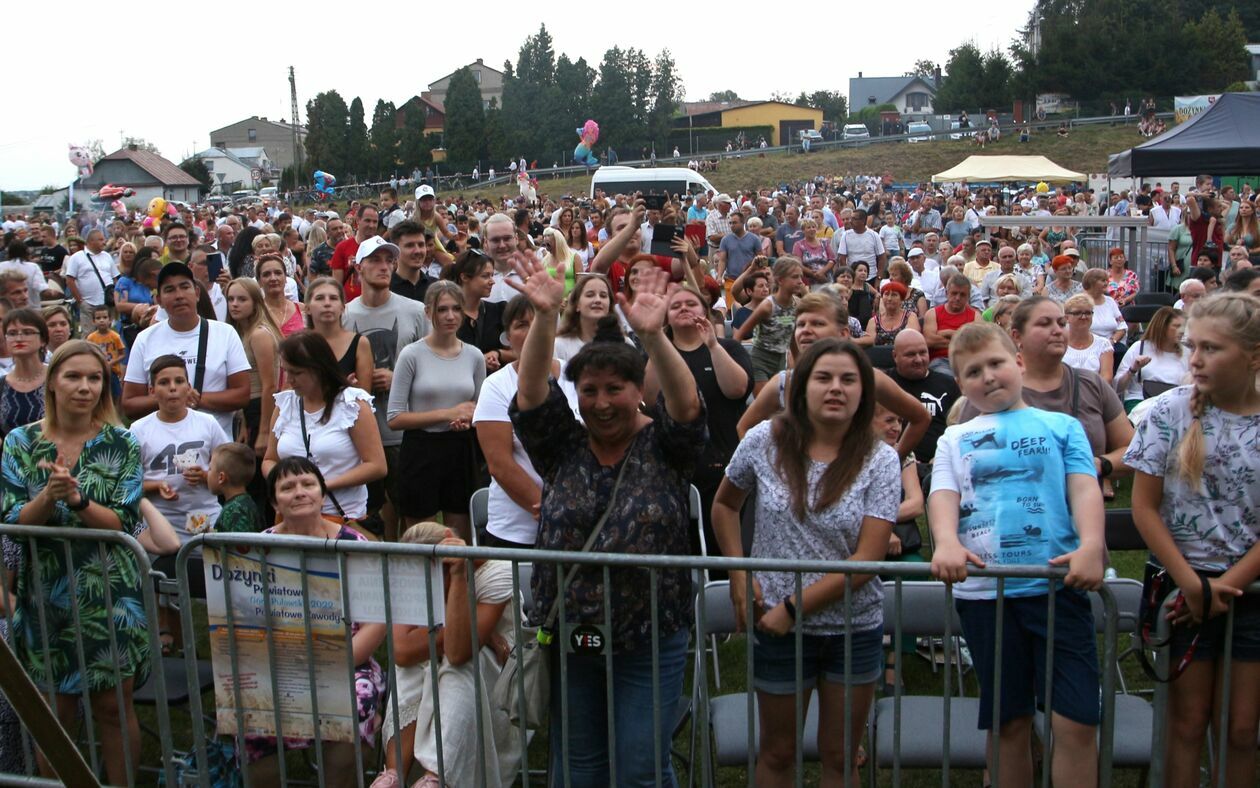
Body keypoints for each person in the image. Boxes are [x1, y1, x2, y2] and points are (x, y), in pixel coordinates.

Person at [507, 255, 705, 786]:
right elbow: (529, 397)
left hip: (650, 634)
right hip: (573, 636)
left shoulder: (665, 446)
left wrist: (655, 336)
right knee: (579, 767)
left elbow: (687, 408)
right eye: (589, 390)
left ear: (638, 390)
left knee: (641, 766)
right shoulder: (563, 447)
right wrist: (545, 318)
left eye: (614, 389)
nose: (600, 402)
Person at [712, 337, 899, 787]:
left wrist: (793, 608)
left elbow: (868, 558)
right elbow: (724, 506)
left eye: (848, 380)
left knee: (839, 757)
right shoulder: (764, 440)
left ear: (863, 392)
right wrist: (739, 574)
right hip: (775, 628)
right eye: (824, 377)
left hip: (850, 628)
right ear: (801, 387)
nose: (836, 388)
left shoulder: (881, 460)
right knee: (777, 752)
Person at [930, 322, 1105, 788]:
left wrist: (1091, 545)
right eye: (972, 372)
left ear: (1019, 363)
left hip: (1056, 588)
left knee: (1077, 719)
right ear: (960, 385)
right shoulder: (953, 440)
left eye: (996, 363)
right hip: (987, 595)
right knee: (1009, 723)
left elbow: (1084, 489)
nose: (987, 376)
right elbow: (943, 495)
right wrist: (946, 541)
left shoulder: (1062, 426)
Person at [1125, 293, 1260, 788]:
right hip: (1181, 590)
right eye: (1192, 346)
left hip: (1247, 593)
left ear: (1254, 355)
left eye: (1212, 349)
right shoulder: (1168, 411)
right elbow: (1144, 507)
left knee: (1242, 729)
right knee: (1185, 724)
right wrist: (1194, 586)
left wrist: (1226, 587)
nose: (1196, 359)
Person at [0, 341, 147, 785]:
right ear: (52, 383)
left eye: (94, 378)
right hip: (47, 594)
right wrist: (48, 495)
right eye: (73, 377)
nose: (84, 387)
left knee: (112, 707)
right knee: (55, 710)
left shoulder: (121, 442)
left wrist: (78, 499)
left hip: (109, 592)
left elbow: (123, 520)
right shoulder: (19, 442)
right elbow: (11, 521)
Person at [245, 458, 387, 787]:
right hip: (277, 663)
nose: (299, 493)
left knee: (353, 706)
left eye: (308, 484)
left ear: (322, 494)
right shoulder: (257, 549)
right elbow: (246, 622)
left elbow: (376, 621)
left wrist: (333, 663)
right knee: (249, 709)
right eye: (287, 487)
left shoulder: (353, 546)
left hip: (347, 662)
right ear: (273, 502)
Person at [373, 521, 521, 788]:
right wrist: (481, 633)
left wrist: (457, 576)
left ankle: (437, 775)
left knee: (457, 670)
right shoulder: (411, 570)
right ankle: (394, 775)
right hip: (445, 655)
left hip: (493, 675)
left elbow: (457, 651)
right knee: (412, 668)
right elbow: (402, 651)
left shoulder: (498, 573)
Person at [964, 297, 1133, 501]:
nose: (1057, 330)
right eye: (1044, 324)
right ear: (1017, 336)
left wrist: (1098, 464)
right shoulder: (990, 389)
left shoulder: (1092, 384)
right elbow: (962, 460)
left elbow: (1132, 451)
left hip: (1081, 517)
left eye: (1062, 323)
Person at [737, 292, 930, 461]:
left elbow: (920, 417)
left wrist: (891, 463)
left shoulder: (867, 377)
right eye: (801, 324)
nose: (806, 330)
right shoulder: (784, 383)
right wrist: (771, 472)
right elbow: (744, 428)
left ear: (843, 333)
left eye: (817, 323)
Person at [645, 285, 753, 559]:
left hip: (721, 465)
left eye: (690, 304)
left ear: (705, 312)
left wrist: (713, 345)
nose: (682, 308)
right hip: (672, 469)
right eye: (675, 305)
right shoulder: (658, 351)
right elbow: (648, 398)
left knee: (722, 553)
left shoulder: (729, 347)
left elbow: (737, 389)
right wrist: (657, 339)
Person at [343, 237, 430, 541]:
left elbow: (437, 364)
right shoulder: (345, 315)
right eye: (375, 260)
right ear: (359, 267)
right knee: (372, 517)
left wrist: (400, 379)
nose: (384, 266)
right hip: (359, 433)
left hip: (404, 430)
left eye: (388, 261)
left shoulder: (416, 311)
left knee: (413, 512)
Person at [473, 295, 576, 548]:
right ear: (508, 336)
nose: (532, 331)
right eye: (521, 324)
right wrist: (552, 509)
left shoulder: (577, 376)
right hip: (517, 530)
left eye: (541, 321)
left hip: (578, 524)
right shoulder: (496, 385)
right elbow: (500, 464)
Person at [386, 281, 486, 542]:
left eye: (456, 309)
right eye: (442, 310)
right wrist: (447, 414)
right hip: (421, 450)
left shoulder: (474, 356)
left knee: (459, 538)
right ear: (428, 312)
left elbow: (479, 410)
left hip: (460, 448)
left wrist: (466, 421)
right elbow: (394, 418)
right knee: (421, 539)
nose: (450, 316)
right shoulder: (411, 354)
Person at [262, 332, 387, 529]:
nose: (290, 380)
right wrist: (285, 483)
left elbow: (377, 465)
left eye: (297, 372)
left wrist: (321, 486)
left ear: (318, 369)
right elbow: (269, 459)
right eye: (287, 372)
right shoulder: (284, 405)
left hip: (341, 517)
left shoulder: (352, 404)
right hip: (293, 519)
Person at [122, 263, 251, 437]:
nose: (179, 296)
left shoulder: (225, 333)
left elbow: (242, 394)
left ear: (197, 293)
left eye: (185, 287)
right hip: (160, 446)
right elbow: (129, 404)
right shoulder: (145, 339)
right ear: (159, 300)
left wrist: (197, 399)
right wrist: (169, 398)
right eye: (170, 290)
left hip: (214, 448)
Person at [224, 277, 281, 459]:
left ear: (255, 302)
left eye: (242, 299)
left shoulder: (259, 334)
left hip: (259, 408)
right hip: (246, 409)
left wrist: (264, 432)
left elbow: (269, 385)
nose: (234, 304)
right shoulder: (241, 333)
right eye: (231, 299)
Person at [885, 329, 960, 463]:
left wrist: (943, 458)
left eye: (923, 353)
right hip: (894, 463)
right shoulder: (884, 385)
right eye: (911, 355)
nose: (918, 360)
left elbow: (959, 429)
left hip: (938, 464)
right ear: (895, 356)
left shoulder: (948, 384)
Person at [735, 257, 803, 393]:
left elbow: (792, 340)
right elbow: (739, 335)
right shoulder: (767, 306)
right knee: (766, 406)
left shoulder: (796, 306)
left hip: (780, 362)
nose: (800, 282)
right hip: (760, 362)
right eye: (795, 277)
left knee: (780, 407)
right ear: (780, 280)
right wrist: (736, 364)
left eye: (801, 277)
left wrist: (800, 366)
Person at [1113, 307, 1188, 411]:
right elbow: (1117, 387)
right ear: (1162, 327)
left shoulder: (1187, 353)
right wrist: (1132, 370)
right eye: (1176, 326)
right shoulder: (1139, 347)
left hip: (1175, 403)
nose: (1182, 331)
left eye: (1183, 326)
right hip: (1141, 400)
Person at [446, 250, 508, 371]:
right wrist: (478, 361)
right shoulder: (448, 316)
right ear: (464, 277)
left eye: (492, 275)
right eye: (485, 276)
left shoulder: (499, 310)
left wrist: (497, 353)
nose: (492, 281)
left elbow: (519, 352)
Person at [0, 309, 47, 437]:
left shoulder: (58, 377)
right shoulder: (2, 384)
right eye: (12, 333)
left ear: (42, 339)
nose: (19, 338)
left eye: (27, 332)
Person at [62, 229, 118, 335]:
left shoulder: (107, 256)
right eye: (101, 239)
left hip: (107, 303)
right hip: (89, 304)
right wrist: (80, 301)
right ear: (91, 241)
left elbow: (115, 277)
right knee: (89, 334)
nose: (104, 242)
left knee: (108, 334)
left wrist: (116, 297)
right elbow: (70, 280)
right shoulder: (77, 257)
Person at [923, 274, 980, 375]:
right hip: (940, 361)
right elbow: (929, 341)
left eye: (962, 295)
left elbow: (976, 345)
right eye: (954, 293)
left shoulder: (976, 316)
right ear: (946, 293)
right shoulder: (933, 313)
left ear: (968, 296)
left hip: (967, 362)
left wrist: (945, 333)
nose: (957, 298)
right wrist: (963, 338)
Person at [206, 442, 264, 534]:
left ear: (221, 477)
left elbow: (238, 545)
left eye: (209, 469)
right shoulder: (245, 503)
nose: (207, 472)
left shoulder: (235, 511)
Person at [1062, 293, 1115, 384]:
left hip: (1095, 394)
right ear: (1066, 318)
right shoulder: (1058, 343)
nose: (1084, 317)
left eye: (1088, 313)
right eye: (1077, 313)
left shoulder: (1103, 344)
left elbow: (1106, 378)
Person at [1082, 268, 1128, 361]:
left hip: (1111, 344)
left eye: (1107, 280)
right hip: (1088, 345)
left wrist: (1112, 341)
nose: (1106, 283)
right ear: (1092, 282)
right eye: (1103, 280)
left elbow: (1122, 326)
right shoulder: (1081, 302)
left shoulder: (1110, 301)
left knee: (1121, 351)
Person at [256, 254, 304, 337]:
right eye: (266, 274)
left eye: (278, 273)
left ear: (285, 278)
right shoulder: (255, 312)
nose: (273, 278)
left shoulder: (301, 309)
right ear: (259, 281)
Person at [85, 305, 125, 400]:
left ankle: (116, 413)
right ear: (93, 321)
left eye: (104, 317)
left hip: (113, 370)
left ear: (110, 320)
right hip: (97, 369)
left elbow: (122, 354)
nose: (102, 320)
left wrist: (111, 363)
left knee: (116, 394)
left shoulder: (115, 337)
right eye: (98, 318)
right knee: (100, 393)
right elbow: (88, 354)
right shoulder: (91, 338)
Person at [867, 281, 920, 345]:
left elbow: (912, 339)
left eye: (894, 295)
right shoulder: (874, 321)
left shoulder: (910, 317)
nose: (889, 298)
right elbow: (869, 342)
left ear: (902, 299)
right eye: (886, 294)